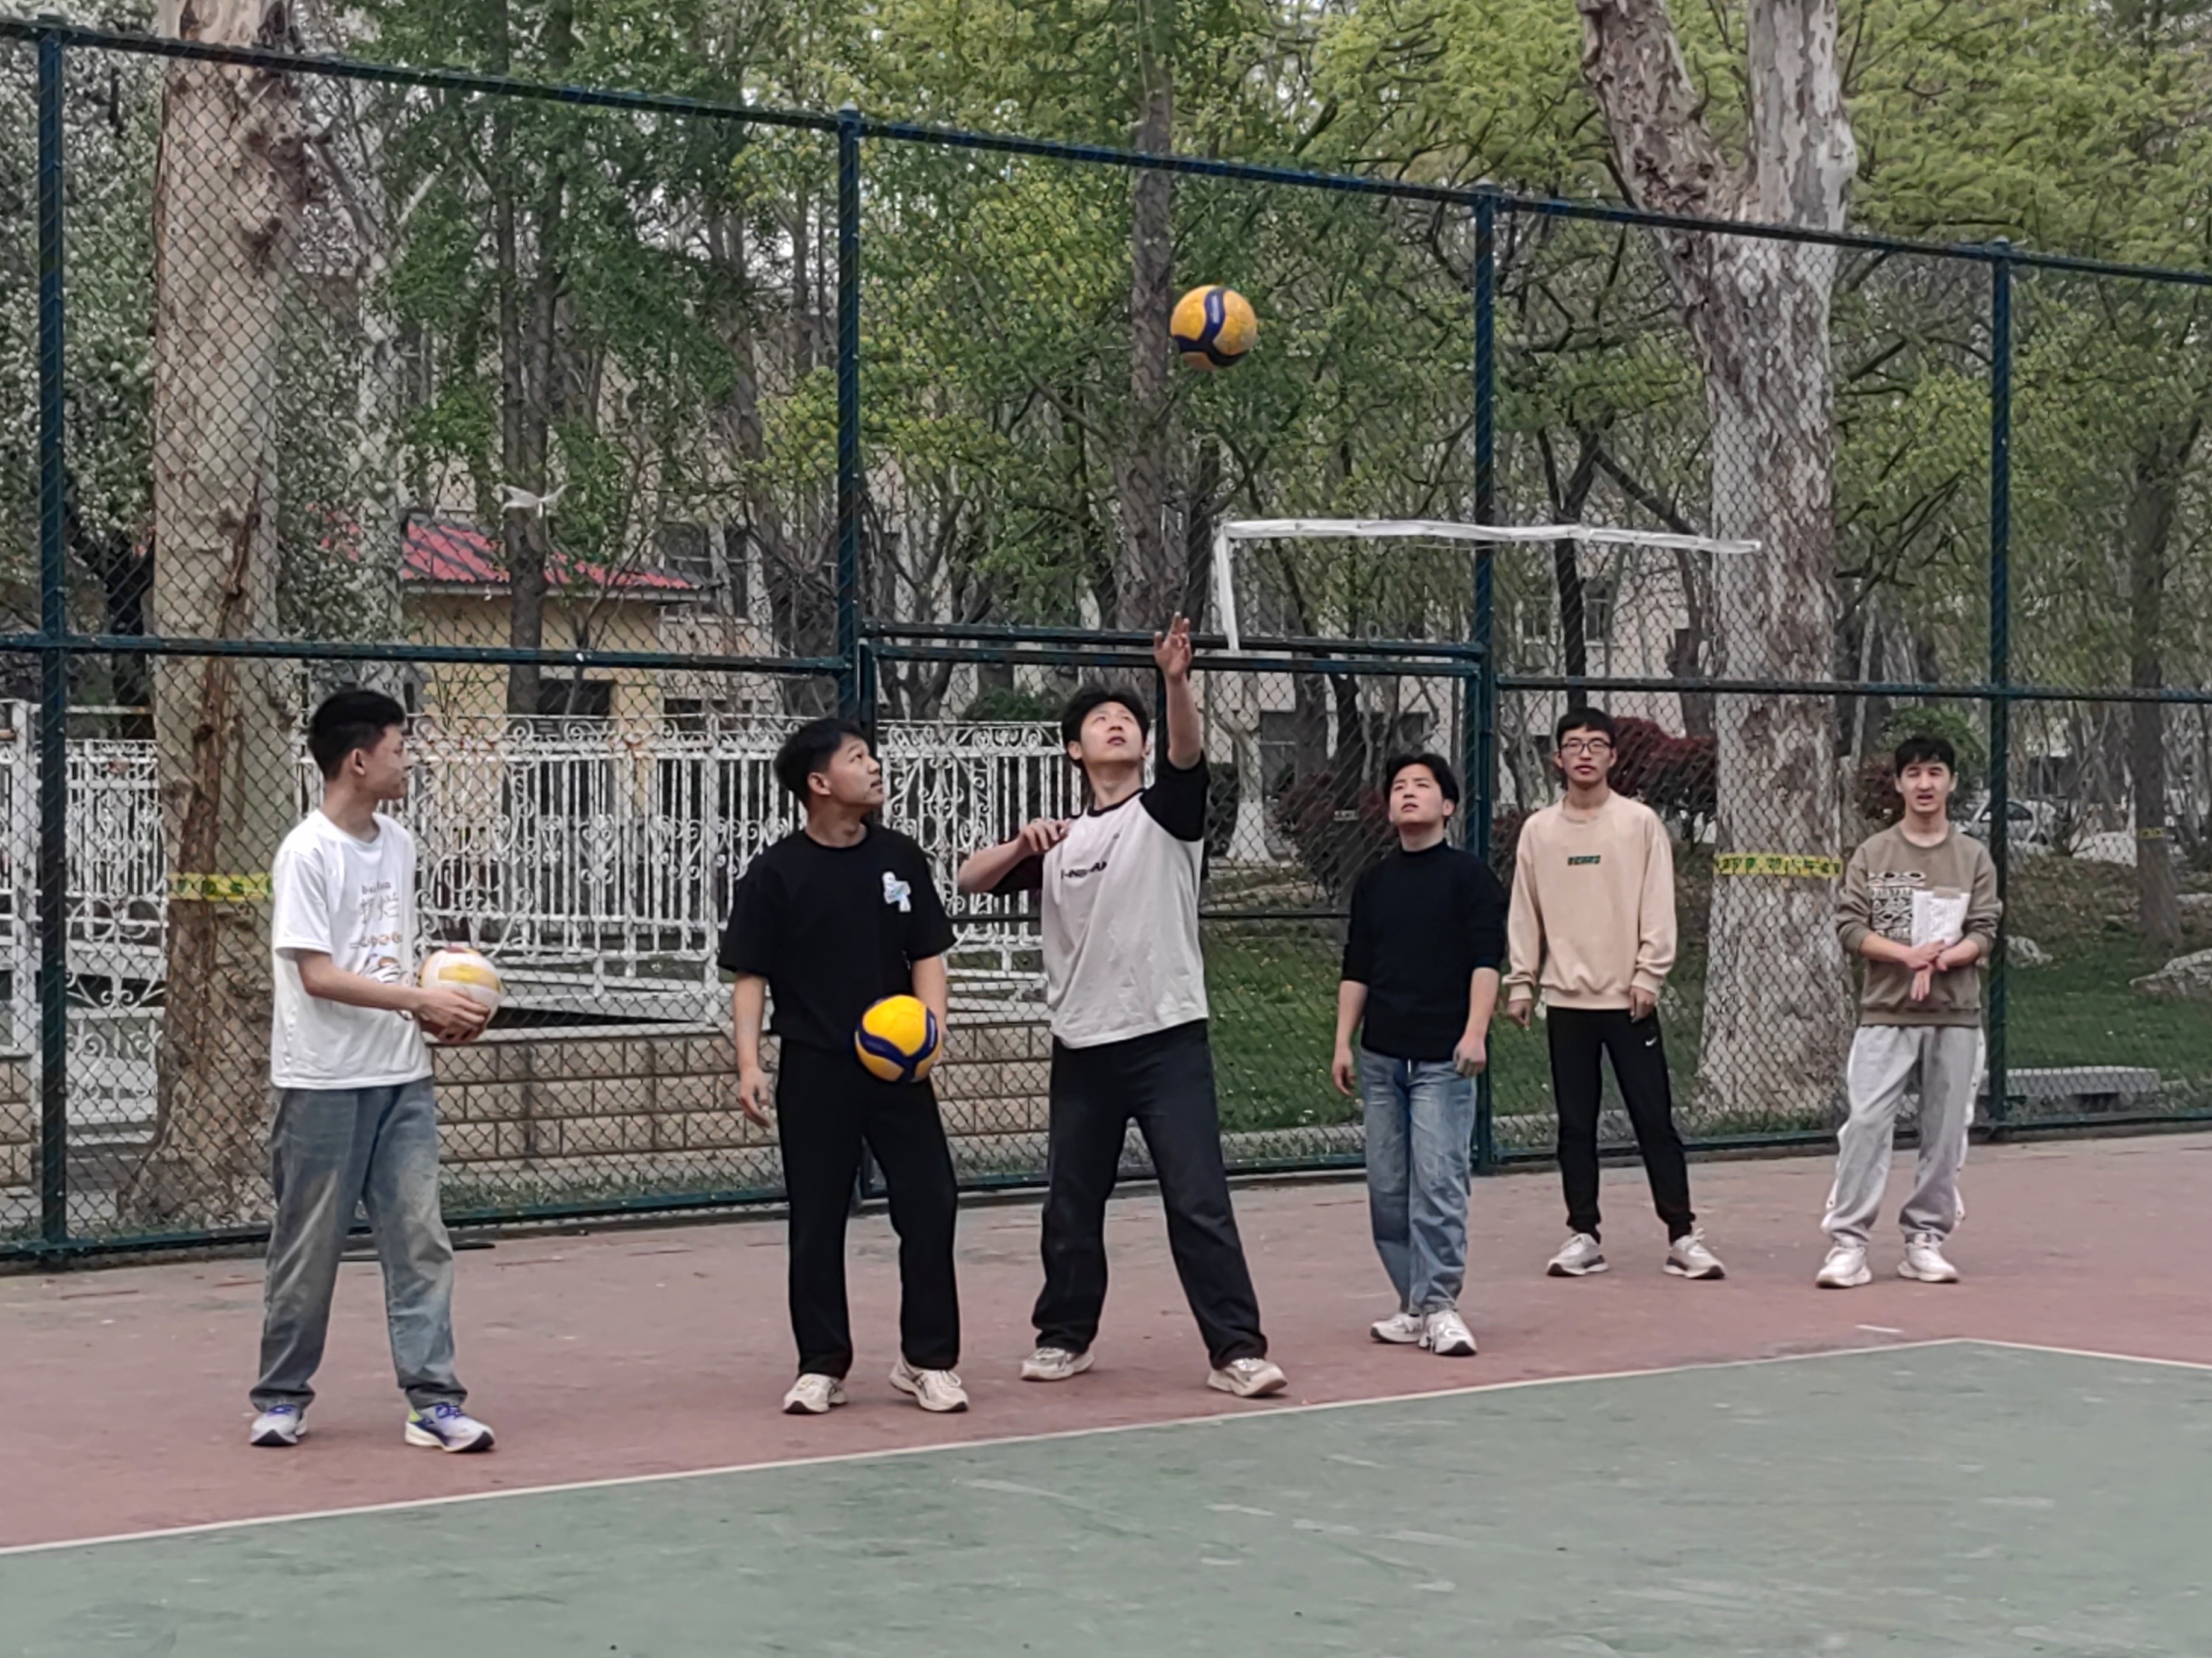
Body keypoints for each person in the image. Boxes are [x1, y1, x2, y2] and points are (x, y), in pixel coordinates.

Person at [956, 618, 1287, 1399]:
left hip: (1166, 1039)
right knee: (1071, 1204)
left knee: (1197, 1200)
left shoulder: (1167, 815)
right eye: (1100, 720)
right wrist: (1021, 846)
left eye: (1127, 721)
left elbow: (1186, 753)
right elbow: (969, 878)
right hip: (1081, 1045)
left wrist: (1173, 680)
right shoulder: (1058, 841)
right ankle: (1063, 1336)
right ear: (1073, 750)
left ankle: (1235, 1350)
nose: (1116, 725)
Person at [250, 688, 496, 1453]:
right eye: (399, 747)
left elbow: (382, 957)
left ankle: (434, 1402)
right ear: (358, 760)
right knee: (308, 1248)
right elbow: (319, 975)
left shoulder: (399, 843)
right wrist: (418, 999)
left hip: (401, 1077)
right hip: (321, 1081)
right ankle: (281, 1397)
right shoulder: (307, 853)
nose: (408, 761)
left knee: (420, 1240)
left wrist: (434, 1009)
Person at [721, 717, 966, 1415]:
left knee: (931, 1204)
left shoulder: (900, 857)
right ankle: (821, 1365)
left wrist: (931, 1032)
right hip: (815, 1066)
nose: (874, 767)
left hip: (897, 1069)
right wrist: (748, 1063)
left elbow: (927, 953)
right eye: (858, 758)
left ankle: (927, 1361)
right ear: (819, 783)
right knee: (817, 1217)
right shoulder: (775, 873)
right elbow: (749, 976)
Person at [1505, 706, 1724, 1281]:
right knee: (1575, 1126)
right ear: (1557, 758)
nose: (1585, 754)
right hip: (1567, 1002)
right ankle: (1583, 1234)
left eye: (1596, 744)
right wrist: (1522, 981)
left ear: (1613, 756)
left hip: (1629, 1002)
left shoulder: (1638, 823)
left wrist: (1649, 974)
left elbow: (1658, 904)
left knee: (1654, 1119)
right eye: (1574, 745)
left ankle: (1682, 1235)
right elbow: (1524, 911)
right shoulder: (1539, 831)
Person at [1331, 753, 1506, 1358]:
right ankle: (1413, 1303)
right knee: (1387, 1191)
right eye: (1398, 787)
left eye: (1422, 785)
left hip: (1442, 1062)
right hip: (1382, 1060)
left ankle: (1440, 1305)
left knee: (1438, 1184)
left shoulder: (1469, 878)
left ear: (1447, 805)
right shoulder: (1374, 882)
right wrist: (1343, 1041)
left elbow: (1486, 961)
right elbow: (1357, 966)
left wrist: (1475, 1033)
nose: (1408, 793)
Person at [1819, 733, 2000, 1288]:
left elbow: (1984, 931)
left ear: (1952, 783)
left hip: (1955, 1016)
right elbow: (1851, 927)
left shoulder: (1972, 857)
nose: (1925, 784)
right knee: (1866, 1125)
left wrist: (1944, 958)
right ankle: (1848, 1242)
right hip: (1886, 1012)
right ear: (1898, 784)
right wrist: (1907, 956)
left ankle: (1925, 1237)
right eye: (1914, 773)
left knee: (1945, 1133)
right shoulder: (1874, 854)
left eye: (1935, 773)